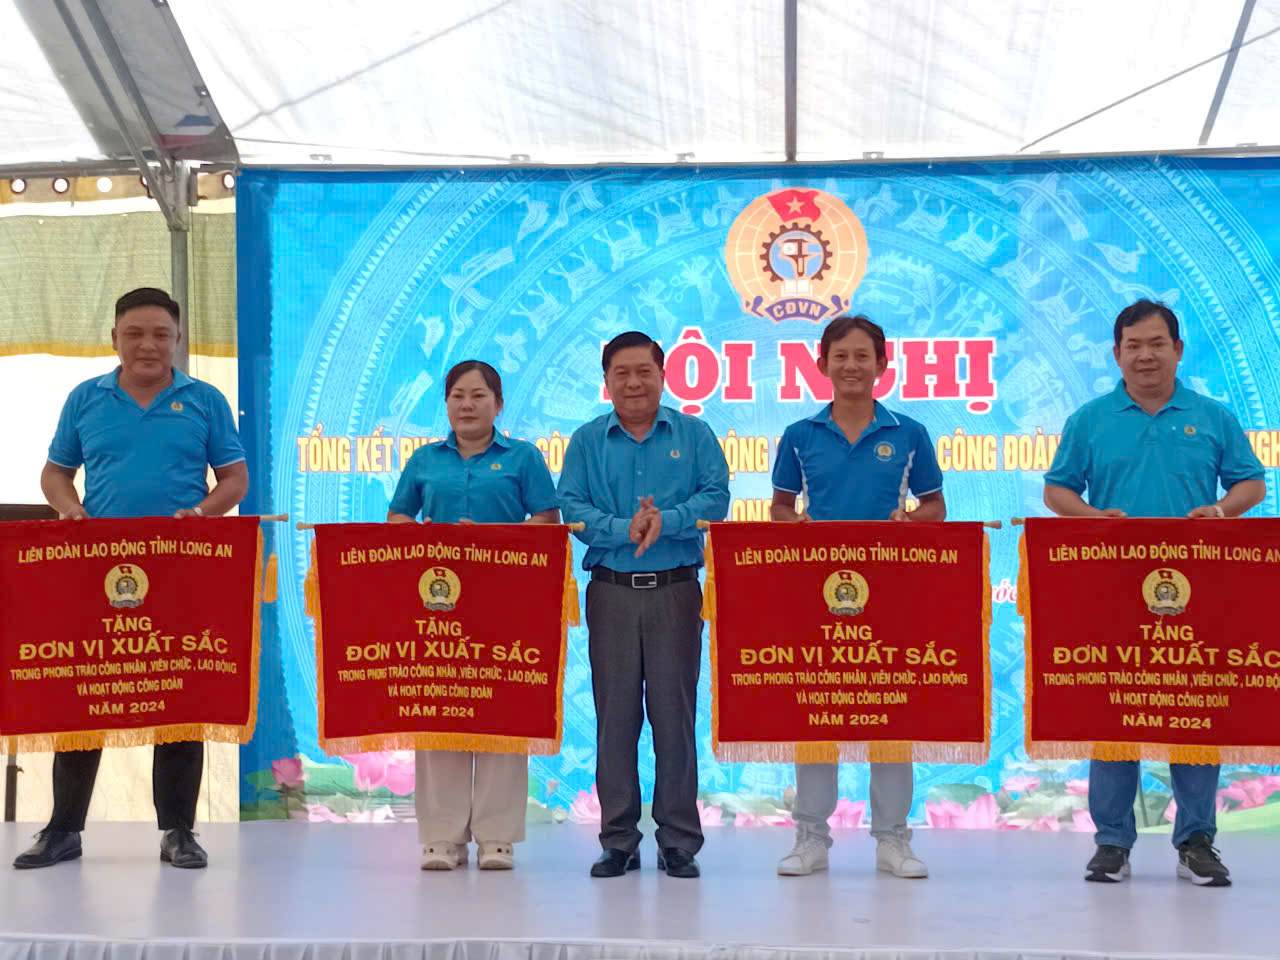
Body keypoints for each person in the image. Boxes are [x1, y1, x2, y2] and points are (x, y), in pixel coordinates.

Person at [15, 287, 248, 871]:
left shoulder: (203, 400)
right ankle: (63, 829)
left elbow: (235, 479)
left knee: (179, 696)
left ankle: (178, 832)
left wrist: (204, 514)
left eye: (161, 334)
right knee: (83, 695)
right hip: (97, 571)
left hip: (180, 570)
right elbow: (55, 472)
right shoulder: (85, 399)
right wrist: (69, 508)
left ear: (176, 340)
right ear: (114, 338)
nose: (148, 345)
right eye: (135, 333)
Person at [1044, 299, 1265, 888]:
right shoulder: (1091, 419)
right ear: (1116, 354)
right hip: (1112, 592)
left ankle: (1196, 840)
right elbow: (1056, 493)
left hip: (1197, 593)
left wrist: (1220, 510)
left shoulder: (1212, 416)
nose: (1146, 355)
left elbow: (1251, 482)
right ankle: (1112, 842)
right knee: (1115, 708)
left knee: (1192, 711)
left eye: (1157, 344)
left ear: (1178, 350)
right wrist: (1093, 517)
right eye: (1133, 346)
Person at [771, 315, 945, 879]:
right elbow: (779, 508)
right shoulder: (799, 435)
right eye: (840, 356)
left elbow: (935, 510)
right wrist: (793, 527)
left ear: (882, 364)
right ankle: (811, 837)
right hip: (817, 596)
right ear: (821, 364)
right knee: (815, 714)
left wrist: (908, 523)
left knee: (890, 713)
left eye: (862, 356)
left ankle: (893, 838)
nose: (851, 366)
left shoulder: (909, 433)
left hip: (893, 595)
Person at [558, 331, 729, 879]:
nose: (633, 383)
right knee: (616, 719)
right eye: (621, 374)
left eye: (644, 372)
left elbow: (716, 497)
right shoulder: (586, 441)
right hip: (610, 592)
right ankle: (618, 841)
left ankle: (678, 841)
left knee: (673, 719)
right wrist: (622, 528)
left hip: (677, 591)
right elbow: (571, 509)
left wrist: (667, 520)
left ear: (663, 375)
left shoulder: (694, 434)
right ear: (605, 382)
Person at [388, 360, 559, 871]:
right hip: (440, 610)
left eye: (479, 396)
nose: (467, 405)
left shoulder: (524, 459)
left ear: (498, 404)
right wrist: (432, 538)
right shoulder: (424, 461)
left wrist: (491, 540)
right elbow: (398, 518)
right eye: (458, 396)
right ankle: (441, 836)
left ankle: (497, 837)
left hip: (506, 605)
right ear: (446, 405)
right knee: (441, 713)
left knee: (502, 714)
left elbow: (547, 523)